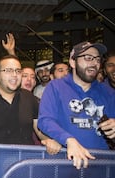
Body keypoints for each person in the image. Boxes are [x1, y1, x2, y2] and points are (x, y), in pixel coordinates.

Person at [38, 41, 115, 169]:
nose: (94, 63)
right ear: (73, 62)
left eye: (97, 59)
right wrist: (69, 140)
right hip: (65, 163)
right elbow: (45, 120)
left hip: (101, 166)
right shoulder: (56, 87)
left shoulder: (108, 92)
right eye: (88, 58)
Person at [0, 55, 58, 149]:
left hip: (26, 160)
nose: (14, 75)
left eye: (18, 71)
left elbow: (40, 130)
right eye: (8, 70)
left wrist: (49, 141)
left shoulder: (29, 97)